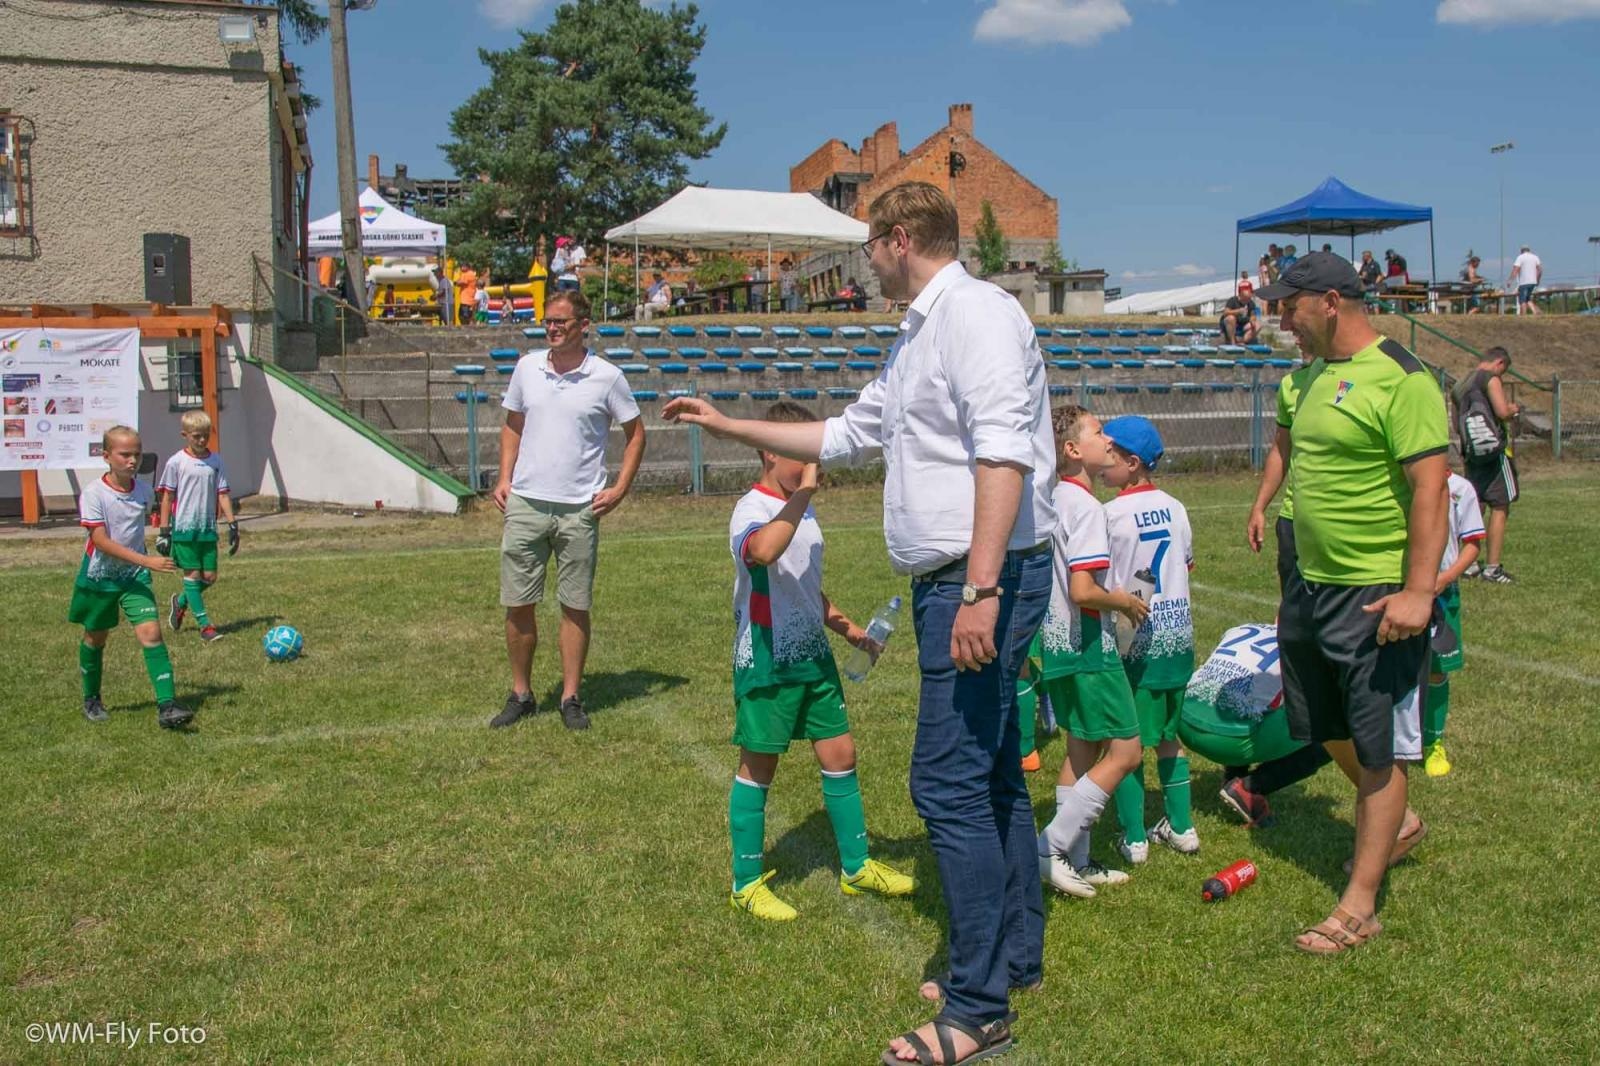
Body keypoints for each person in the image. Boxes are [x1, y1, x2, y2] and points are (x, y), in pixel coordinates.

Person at [664, 181, 1056, 1066]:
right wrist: (726, 421)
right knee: (991, 773)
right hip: (959, 579)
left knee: (946, 782)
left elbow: (1004, 452)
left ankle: (975, 1009)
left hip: (979, 578)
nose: (862, 262)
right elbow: (843, 435)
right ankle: (1010, 957)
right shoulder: (920, 332)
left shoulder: (977, 317)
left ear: (900, 237)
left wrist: (982, 591)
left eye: (868, 245)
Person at [1253, 251, 1447, 955]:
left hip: (1374, 591)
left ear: (1330, 301)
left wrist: (1419, 591)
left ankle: (1360, 906)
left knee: (1376, 748)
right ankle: (1398, 824)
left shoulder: (1402, 378)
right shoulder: (1307, 380)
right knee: (1321, 724)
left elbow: (1431, 488)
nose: (1281, 316)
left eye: (1289, 304)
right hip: (1310, 583)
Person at [724, 401, 914, 921]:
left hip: (813, 656)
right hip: (767, 658)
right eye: (799, 453)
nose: (812, 463)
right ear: (769, 452)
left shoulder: (803, 509)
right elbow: (762, 552)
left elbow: (804, 587)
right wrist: (804, 490)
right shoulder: (753, 508)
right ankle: (745, 881)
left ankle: (856, 865)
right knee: (759, 766)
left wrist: (851, 630)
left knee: (841, 754)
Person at [491, 289, 647, 732]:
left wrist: (619, 488)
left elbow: (636, 434)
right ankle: (521, 693)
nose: (553, 329)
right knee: (518, 603)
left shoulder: (608, 377)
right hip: (525, 503)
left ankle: (571, 697)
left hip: (580, 509)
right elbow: (512, 427)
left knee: (574, 605)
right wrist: (504, 478)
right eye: (548, 322)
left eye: (561, 322)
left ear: (583, 325)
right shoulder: (526, 368)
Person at [1034, 405, 1149, 897]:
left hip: (1058, 646)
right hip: (1087, 647)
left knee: (1082, 750)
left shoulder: (1054, 497)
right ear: (1073, 449)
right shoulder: (1085, 506)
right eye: (1099, 432)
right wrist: (1122, 601)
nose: (1110, 440)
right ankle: (1050, 846)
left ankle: (1076, 860)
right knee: (1126, 750)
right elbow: (1083, 591)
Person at [1098, 416, 1199, 864]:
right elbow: (1185, 565)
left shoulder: (1110, 514)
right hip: (1178, 640)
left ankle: (1135, 838)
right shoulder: (1176, 507)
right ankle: (1183, 828)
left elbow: (1104, 580)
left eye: (1110, 456)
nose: (1102, 464)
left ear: (1133, 463)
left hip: (1134, 641)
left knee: (1127, 741)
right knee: (1170, 738)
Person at [70, 426, 193, 729]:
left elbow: (139, 529)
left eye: (136, 454)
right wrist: (146, 560)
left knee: (151, 634)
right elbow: (100, 541)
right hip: (101, 577)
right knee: (95, 638)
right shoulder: (94, 493)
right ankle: (92, 698)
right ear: (106, 456)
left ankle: (167, 706)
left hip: (135, 577)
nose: (132, 460)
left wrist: (166, 541)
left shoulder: (143, 491)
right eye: (125, 454)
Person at [1423, 471, 1485, 776]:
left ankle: (1433, 744)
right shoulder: (1400, 478)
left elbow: (1473, 543)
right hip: (1400, 587)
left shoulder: (1461, 489)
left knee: (1436, 670)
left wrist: (1445, 578)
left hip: (1442, 593)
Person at [157, 410, 238, 644]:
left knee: (210, 577)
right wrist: (164, 531)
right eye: (196, 436)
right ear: (185, 435)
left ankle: (180, 602)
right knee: (192, 576)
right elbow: (167, 497)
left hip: (207, 530)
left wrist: (233, 524)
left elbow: (223, 494)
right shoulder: (176, 462)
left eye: (205, 436)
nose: (202, 441)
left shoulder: (216, 461)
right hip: (184, 529)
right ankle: (205, 626)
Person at [1451, 346, 1520, 583]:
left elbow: (1456, 425)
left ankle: (1467, 564)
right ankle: (1492, 567)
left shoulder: (1460, 385)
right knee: (1500, 506)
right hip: (1493, 452)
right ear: (1499, 363)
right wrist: (1512, 410)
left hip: (1472, 454)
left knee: (1474, 506)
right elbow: (1501, 412)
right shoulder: (1490, 379)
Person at [1508, 244, 1542, 314]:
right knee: (1527, 299)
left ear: (1521, 251)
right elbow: (1540, 270)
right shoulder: (1535, 257)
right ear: (1529, 250)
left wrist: (1510, 280)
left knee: (1522, 301)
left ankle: (1524, 316)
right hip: (1533, 282)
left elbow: (1515, 270)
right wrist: (1537, 280)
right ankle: (1536, 312)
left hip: (1524, 282)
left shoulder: (1520, 257)